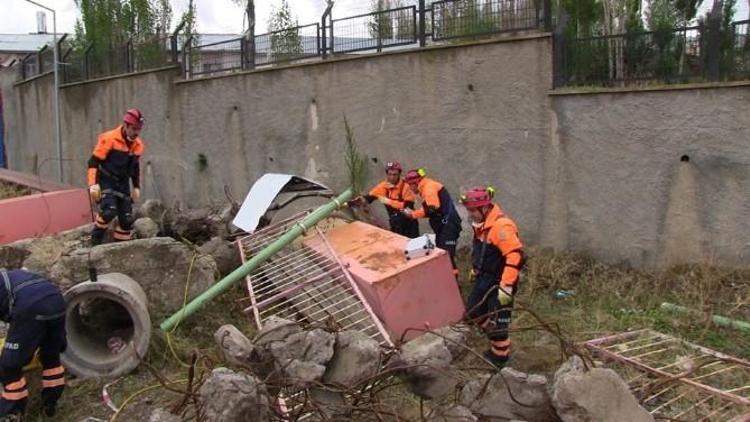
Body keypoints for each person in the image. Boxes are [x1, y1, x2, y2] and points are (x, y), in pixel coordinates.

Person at [460, 186, 525, 369]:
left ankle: (500, 359)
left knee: (499, 323)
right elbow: (484, 252)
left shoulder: (501, 227)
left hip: (500, 282)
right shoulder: (483, 225)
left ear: (484, 207)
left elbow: (515, 256)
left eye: (472, 210)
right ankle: (493, 336)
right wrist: (476, 268)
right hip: (484, 279)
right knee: (473, 312)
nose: (470, 214)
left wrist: (506, 286)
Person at [0, 268, 66, 419]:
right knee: (50, 355)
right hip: (56, 299)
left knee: (9, 365)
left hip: (31, 306)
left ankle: (11, 413)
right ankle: (50, 405)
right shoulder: (11, 276)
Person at [87, 108, 145, 245]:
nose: (136, 132)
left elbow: (135, 168)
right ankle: (94, 242)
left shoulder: (138, 145)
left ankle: (119, 248)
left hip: (123, 183)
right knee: (109, 212)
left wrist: (136, 186)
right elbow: (93, 163)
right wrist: (93, 187)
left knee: (127, 220)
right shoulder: (110, 139)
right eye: (134, 129)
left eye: (139, 129)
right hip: (106, 180)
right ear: (126, 126)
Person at [402, 168, 462, 276]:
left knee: (446, 256)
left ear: (415, 183)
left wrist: (413, 214)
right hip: (446, 227)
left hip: (448, 228)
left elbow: (432, 209)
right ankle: (449, 280)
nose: (410, 188)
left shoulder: (428, 188)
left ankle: (452, 284)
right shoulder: (427, 186)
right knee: (444, 254)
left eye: (410, 185)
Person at [354, 161, 419, 238]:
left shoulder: (407, 186)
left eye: (395, 174)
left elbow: (408, 206)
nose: (392, 177)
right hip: (395, 223)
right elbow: (368, 198)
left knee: (415, 246)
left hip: (409, 223)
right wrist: (351, 203)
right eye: (389, 174)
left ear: (399, 174)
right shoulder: (382, 187)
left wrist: (389, 202)